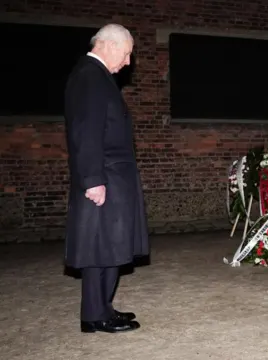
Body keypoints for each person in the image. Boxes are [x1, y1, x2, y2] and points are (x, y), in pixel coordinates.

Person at [64, 24, 149, 333]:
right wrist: (92, 180)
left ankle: (102, 308)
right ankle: (95, 315)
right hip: (105, 177)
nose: (128, 62)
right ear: (108, 45)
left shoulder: (96, 77)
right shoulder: (90, 77)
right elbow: (86, 133)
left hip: (112, 176)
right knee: (101, 247)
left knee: (109, 245)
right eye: (127, 53)